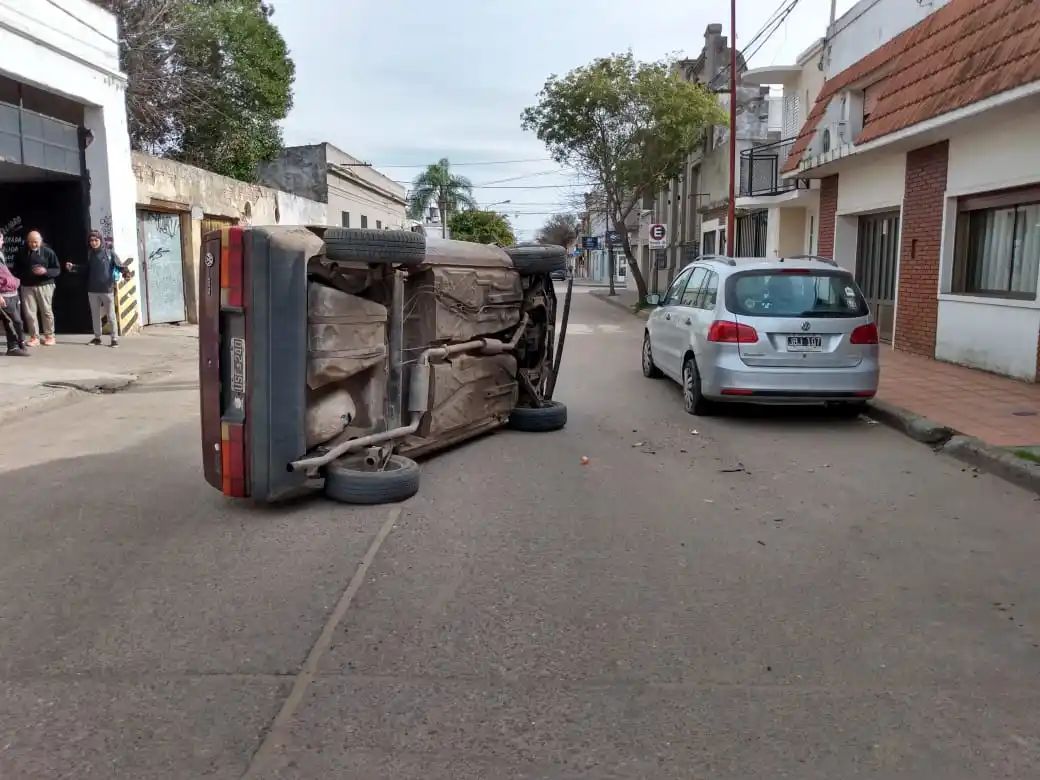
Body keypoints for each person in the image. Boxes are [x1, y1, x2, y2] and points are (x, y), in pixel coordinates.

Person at [66, 230, 134, 347]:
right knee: (95, 314)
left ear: (101, 240)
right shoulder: (90, 254)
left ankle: (114, 339)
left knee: (110, 315)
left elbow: (120, 265)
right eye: (91, 240)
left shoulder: (109, 253)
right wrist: (73, 267)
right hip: (92, 289)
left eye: (96, 240)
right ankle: (97, 338)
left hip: (107, 289)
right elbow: (86, 269)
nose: (93, 243)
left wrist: (126, 273)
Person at [14, 230, 60, 346]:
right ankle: (34, 337)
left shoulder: (48, 252)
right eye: (30, 242)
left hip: (45, 285)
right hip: (27, 286)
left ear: (40, 241)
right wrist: (27, 273)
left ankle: (50, 336)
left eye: (35, 242)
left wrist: (45, 271)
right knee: (30, 313)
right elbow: (16, 270)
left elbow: (57, 270)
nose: (33, 245)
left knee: (46, 311)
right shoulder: (21, 253)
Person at [0, 234, 28, 356]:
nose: (1, 242)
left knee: (17, 321)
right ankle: (14, 346)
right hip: (3, 295)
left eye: (1, 239)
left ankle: (17, 344)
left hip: (12, 293)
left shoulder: (1, 255)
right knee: (12, 321)